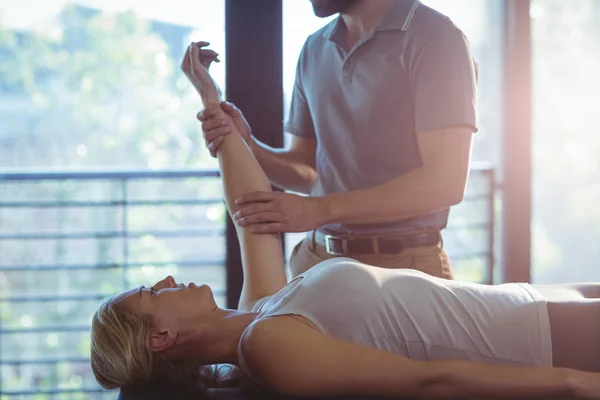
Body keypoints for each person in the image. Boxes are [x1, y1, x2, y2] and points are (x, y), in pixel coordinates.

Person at [90, 42, 600, 400]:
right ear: (162, 340)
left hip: (532, 302)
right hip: (543, 344)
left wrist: (207, 98)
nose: (166, 280)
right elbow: (431, 383)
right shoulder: (267, 346)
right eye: (152, 294)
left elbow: (252, 216)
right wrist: (575, 384)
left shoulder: (262, 311)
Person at [198, 0, 478, 279]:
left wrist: (321, 210)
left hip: (405, 268)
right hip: (316, 261)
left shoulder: (438, 38)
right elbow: (308, 171)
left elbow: (445, 183)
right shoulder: (314, 48)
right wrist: (248, 147)